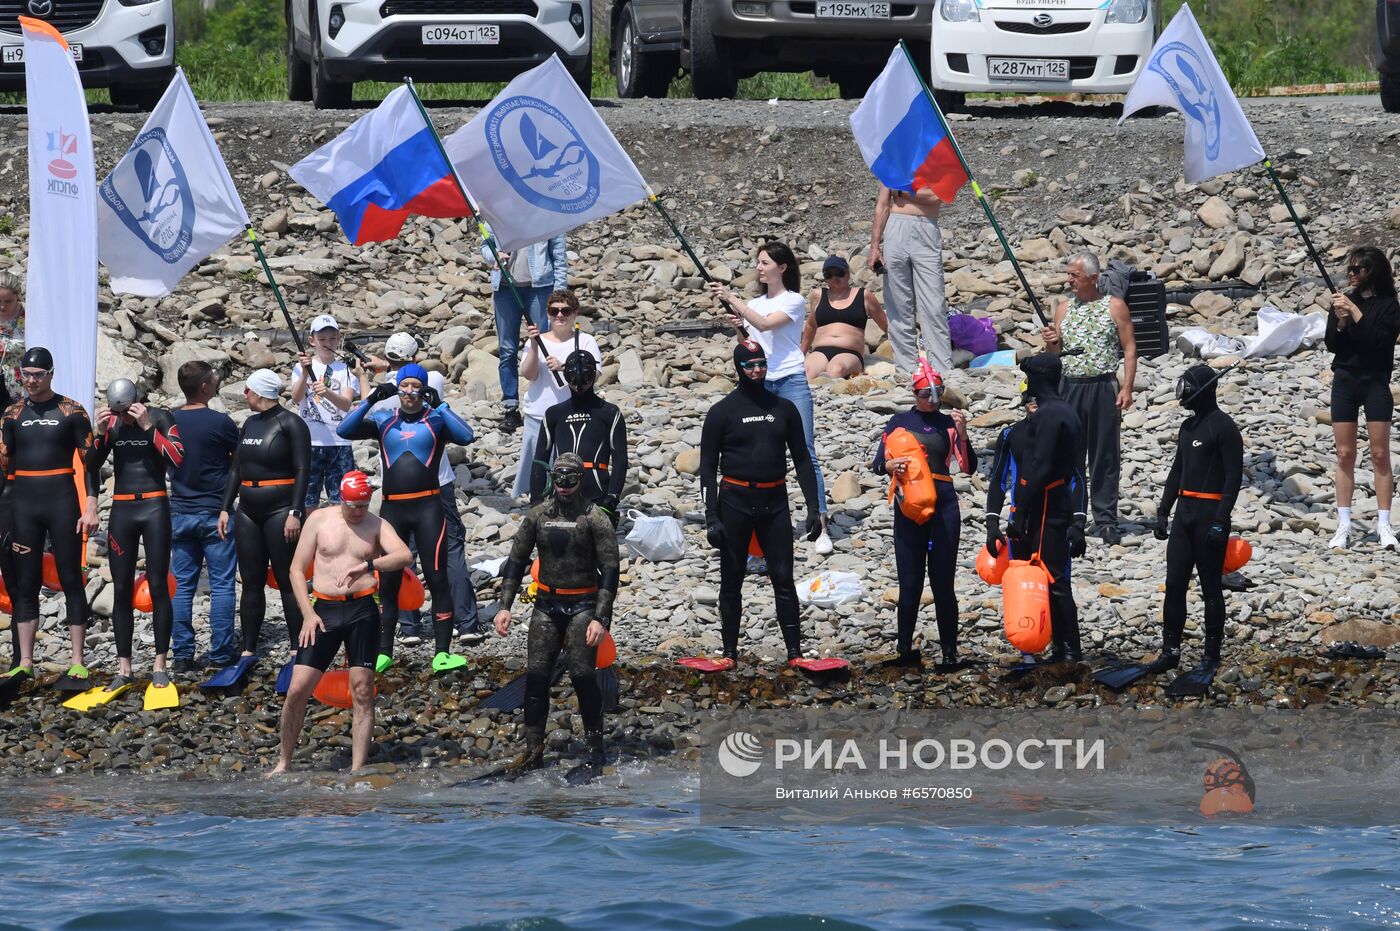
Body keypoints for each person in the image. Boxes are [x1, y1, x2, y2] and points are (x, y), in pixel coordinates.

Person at [1096, 364, 1243, 696]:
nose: (1183, 393)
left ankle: (1210, 656)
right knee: (1175, 584)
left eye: (1188, 387)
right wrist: (1163, 512)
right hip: (1184, 518)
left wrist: (1222, 518)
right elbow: (1178, 470)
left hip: (1209, 516)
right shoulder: (1188, 427)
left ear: (1203, 391)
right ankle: (1170, 651)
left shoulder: (1224, 427)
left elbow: (1233, 477)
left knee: (1210, 589)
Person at [338, 363, 476, 674]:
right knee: (388, 582)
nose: (410, 392)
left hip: (428, 508)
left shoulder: (436, 420)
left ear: (424, 390)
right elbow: (344, 430)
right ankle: (384, 651)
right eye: (405, 386)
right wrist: (372, 398)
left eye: (416, 387)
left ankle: (442, 653)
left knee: (437, 578)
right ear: (398, 389)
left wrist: (439, 402)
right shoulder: (384, 420)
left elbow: (467, 436)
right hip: (392, 511)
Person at [273, 471, 412, 774]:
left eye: (364, 505)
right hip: (323, 611)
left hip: (363, 609)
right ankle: (283, 762)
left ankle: (356, 768)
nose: (359, 511)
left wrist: (369, 564)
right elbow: (296, 570)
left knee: (362, 690)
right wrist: (308, 615)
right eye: (353, 506)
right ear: (340, 499)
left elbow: (404, 556)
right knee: (297, 689)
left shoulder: (375, 524)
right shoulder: (320, 520)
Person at [697, 341, 823, 669]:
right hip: (735, 501)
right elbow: (708, 468)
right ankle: (728, 654)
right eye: (750, 365)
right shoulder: (722, 411)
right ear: (738, 368)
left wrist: (813, 508)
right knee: (732, 579)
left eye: (761, 364)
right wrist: (711, 516)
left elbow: (802, 460)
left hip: (775, 502)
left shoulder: (784, 408)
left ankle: (795, 653)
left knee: (783, 577)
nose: (756, 371)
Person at [493, 453, 619, 777]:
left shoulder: (595, 518)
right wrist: (505, 607)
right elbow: (516, 561)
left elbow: (610, 570)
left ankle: (595, 750)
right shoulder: (537, 515)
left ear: (580, 480)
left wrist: (600, 619)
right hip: (546, 606)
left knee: (582, 677)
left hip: (582, 606)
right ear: (553, 479)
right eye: (559, 479)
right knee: (536, 680)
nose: (564, 486)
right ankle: (533, 752)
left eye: (570, 480)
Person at [709, 241, 831, 554]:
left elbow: (765, 323)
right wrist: (739, 327)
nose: (760, 268)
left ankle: (820, 520)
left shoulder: (794, 300)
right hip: (760, 382)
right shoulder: (755, 302)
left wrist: (732, 299)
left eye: (765, 263)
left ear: (782, 267)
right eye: (759, 263)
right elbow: (752, 341)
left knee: (804, 448)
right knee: (760, 450)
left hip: (790, 380)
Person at [366, 332, 484, 644]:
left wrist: (381, 372)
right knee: (450, 553)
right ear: (416, 359)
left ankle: (408, 627)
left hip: (399, 491)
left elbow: (388, 390)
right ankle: (467, 623)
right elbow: (421, 378)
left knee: (401, 556)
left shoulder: (390, 390)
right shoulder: (430, 384)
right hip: (436, 487)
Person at [0, 347, 97, 692]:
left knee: (72, 579)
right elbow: (3, 466)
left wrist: (92, 506)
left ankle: (77, 663)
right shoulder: (11, 414)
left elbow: (91, 463)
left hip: (62, 503)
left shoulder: (71, 411)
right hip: (24, 506)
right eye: (27, 374)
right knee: (25, 584)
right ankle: (25, 663)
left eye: (39, 374)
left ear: (51, 375)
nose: (32, 381)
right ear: (20, 375)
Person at [85, 380, 184, 696]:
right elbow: (90, 465)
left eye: (127, 412)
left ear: (138, 403)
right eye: (119, 412)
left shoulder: (160, 417)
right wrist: (100, 436)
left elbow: (178, 459)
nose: (123, 418)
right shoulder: (112, 423)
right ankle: (124, 668)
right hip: (123, 510)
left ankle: (159, 665)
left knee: (157, 585)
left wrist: (147, 427)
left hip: (155, 505)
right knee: (122, 587)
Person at [988, 353, 1087, 670]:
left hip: (1043, 508)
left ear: (1037, 381)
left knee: (1054, 580)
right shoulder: (1066, 412)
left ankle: (1069, 651)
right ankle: (1051, 646)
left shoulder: (1050, 415)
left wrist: (1018, 515)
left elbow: (1042, 469)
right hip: (1045, 505)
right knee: (1036, 579)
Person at [871, 367, 975, 669]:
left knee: (943, 583)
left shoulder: (949, 423)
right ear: (913, 394)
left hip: (944, 505)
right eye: (925, 393)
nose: (932, 398)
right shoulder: (899, 422)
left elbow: (967, 467)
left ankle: (949, 654)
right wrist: (890, 467)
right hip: (909, 506)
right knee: (910, 582)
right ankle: (904, 651)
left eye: (937, 392)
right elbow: (879, 464)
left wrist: (964, 434)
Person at [217, 369, 311, 678]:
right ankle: (248, 648)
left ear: (259, 393)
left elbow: (302, 469)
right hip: (248, 510)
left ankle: (299, 647)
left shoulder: (291, 423)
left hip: (281, 509)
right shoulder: (250, 423)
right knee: (251, 581)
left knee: (287, 580)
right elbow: (235, 469)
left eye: (247, 390)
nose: (244, 395)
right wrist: (225, 508)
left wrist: (296, 512)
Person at [1041, 252, 1137, 545]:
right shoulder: (1064, 309)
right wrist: (1051, 345)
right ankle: (1074, 517)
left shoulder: (1115, 307)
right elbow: (1054, 357)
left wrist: (1127, 387)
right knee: (1070, 454)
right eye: (1068, 274)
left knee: (1104, 454)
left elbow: (1130, 348)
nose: (1069, 280)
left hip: (1102, 387)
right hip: (1070, 386)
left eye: (1075, 276)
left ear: (1093, 279)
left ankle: (1106, 518)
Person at [1325, 246, 1400, 550]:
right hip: (1345, 381)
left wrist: (1354, 313)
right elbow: (1332, 344)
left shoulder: (1389, 307)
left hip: (1375, 383)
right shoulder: (1344, 302)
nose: (1352, 275)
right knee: (1344, 454)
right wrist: (1341, 321)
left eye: (1360, 270)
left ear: (1375, 272)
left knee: (1380, 454)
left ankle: (1384, 525)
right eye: (1351, 270)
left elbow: (1377, 342)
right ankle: (1343, 524)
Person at [168, 361, 240, 673]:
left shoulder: (169, 421)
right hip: (216, 513)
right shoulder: (220, 422)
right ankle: (221, 653)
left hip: (180, 512)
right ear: (205, 387)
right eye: (213, 380)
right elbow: (241, 461)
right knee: (222, 585)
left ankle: (183, 654)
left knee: (182, 585)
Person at [513, 290, 601, 499]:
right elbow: (529, 374)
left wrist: (565, 368)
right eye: (554, 311)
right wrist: (534, 345)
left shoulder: (586, 341)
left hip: (572, 415)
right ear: (548, 313)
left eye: (565, 311)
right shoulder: (535, 340)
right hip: (538, 415)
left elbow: (594, 374)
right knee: (538, 468)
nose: (560, 316)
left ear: (575, 313)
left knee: (567, 467)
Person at [526, 345, 624, 522]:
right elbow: (540, 460)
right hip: (561, 498)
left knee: (599, 548)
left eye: (585, 378)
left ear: (594, 376)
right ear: (566, 376)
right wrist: (536, 501)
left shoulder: (609, 413)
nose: (579, 385)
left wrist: (612, 499)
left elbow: (620, 460)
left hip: (598, 499)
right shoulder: (554, 413)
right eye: (572, 378)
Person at [483, 231, 568, 433]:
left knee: (542, 344)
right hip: (504, 286)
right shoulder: (496, 210)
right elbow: (485, 245)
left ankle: (547, 403)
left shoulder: (547, 213)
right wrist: (492, 256)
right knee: (507, 349)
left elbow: (559, 255)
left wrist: (560, 293)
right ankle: (511, 408)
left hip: (540, 287)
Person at [868, 184, 952, 375]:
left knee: (933, 304)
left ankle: (942, 369)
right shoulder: (894, 160)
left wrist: (899, 190)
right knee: (898, 305)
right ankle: (906, 369)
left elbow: (937, 195)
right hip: (896, 227)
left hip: (926, 227)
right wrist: (874, 247)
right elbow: (882, 205)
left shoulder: (934, 157)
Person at [290, 315, 357, 513]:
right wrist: (304, 372)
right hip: (311, 442)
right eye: (322, 339)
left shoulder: (345, 369)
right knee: (309, 498)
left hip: (339, 442)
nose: (327, 343)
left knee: (340, 499)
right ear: (312, 341)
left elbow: (346, 404)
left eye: (331, 338)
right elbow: (296, 397)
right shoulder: (301, 367)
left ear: (338, 338)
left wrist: (326, 392)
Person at [803, 255, 888, 379]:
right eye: (829, 274)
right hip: (820, 351)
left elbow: (885, 324)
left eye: (839, 273)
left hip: (849, 352)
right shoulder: (818, 295)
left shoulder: (863, 295)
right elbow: (810, 326)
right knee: (807, 371)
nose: (834, 278)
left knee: (837, 369)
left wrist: (902, 350)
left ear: (848, 274)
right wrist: (801, 353)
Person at [0, 272, 24, 406]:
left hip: (19, 392)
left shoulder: (31, 316)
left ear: (17, 296)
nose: (2, 306)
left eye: (8, 301)